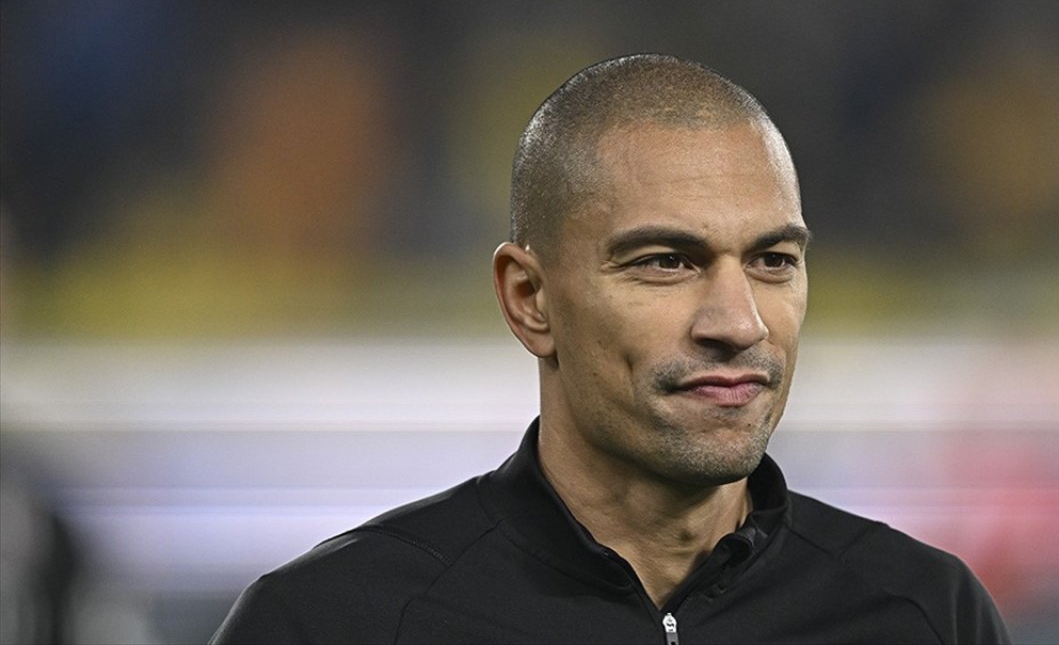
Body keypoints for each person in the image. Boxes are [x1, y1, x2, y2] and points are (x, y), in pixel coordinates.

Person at [211, 54, 1010, 644]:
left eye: (772, 261)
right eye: (666, 262)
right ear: (530, 299)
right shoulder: (335, 622)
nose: (739, 322)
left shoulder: (927, 614)